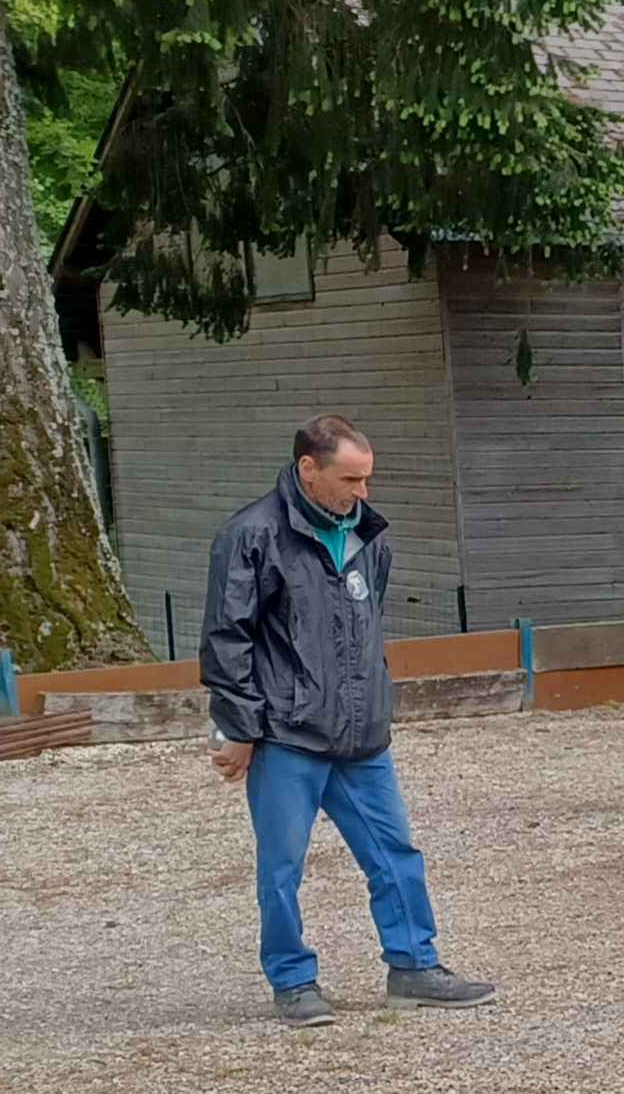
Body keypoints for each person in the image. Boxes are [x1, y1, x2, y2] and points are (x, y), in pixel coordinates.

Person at [202, 415, 495, 1028]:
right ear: (308, 468)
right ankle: (292, 980)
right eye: (350, 479)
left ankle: (414, 965)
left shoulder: (368, 535)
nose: (362, 492)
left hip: (362, 736)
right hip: (286, 735)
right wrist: (239, 729)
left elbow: (365, 630)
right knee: (282, 868)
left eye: (366, 479)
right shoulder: (251, 535)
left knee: (396, 853)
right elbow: (228, 640)